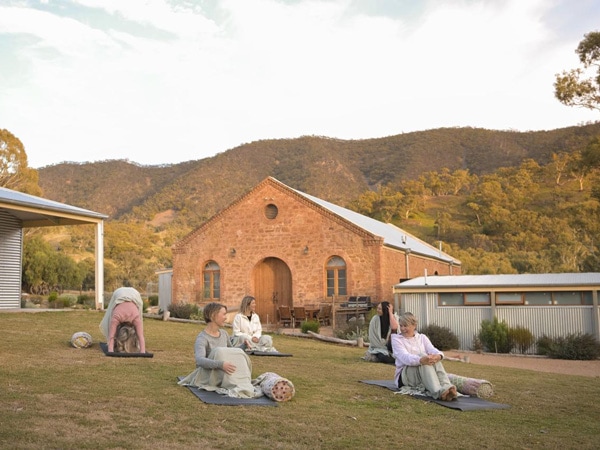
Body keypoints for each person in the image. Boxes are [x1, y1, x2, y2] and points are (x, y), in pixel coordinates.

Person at [178, 302, 262, 398]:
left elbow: (232, 351)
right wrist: (220, 364)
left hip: (224, 371)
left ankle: (242, 385)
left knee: (238, 353)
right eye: (223, 314)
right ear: (213, 316)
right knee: (219, 351)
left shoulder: (224, 334)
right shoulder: (202, 338)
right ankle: (239, 385)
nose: (226, 317)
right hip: (209, 374)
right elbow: (199, 360)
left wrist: (243, 346)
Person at [391, 312, 457, 401]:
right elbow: (404, 358)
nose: (402, 329)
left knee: (433, 357)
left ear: (414, 326)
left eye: (405, 326)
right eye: (401, 325)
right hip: (404, 376)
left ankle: (447, 387)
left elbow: (433, 350)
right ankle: (438, 392)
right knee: (424, 357)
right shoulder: (396, 339)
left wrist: (438, 356)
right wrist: (421, 360)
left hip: (420, 371)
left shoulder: (422, 337)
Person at [100, 287, 146, 353]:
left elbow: (111, 336)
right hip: (122, 293)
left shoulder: (134, 317)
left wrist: (110, 350)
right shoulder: (118, 317)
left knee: (112, 327)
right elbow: (141, 336)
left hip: (133, 294)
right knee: (111, 313)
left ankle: (132, 344)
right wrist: (142, 351)